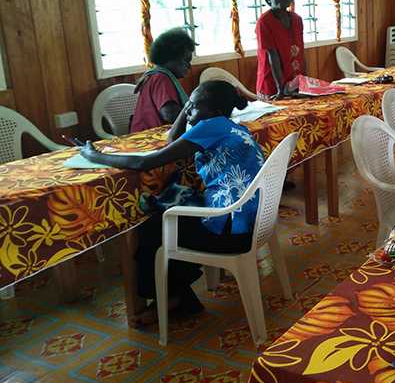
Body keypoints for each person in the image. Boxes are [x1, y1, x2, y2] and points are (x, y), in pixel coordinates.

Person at [81, 81, 265, 325]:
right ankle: (178, 298)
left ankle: (168, 300)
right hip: (250, 224)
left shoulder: (210, 127)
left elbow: (144, 163)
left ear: (210, 110)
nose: (188, 111)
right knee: (168, 221)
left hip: (230, 233)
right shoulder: (229, 126)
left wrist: (94, 155)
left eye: (193, 106)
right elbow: (172, 139)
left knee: (151, 228)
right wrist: (191, 106)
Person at [130, 27, 194, 133]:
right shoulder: (161, 79)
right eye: (186, 61)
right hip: (150, 138)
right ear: (170, 58)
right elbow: (170, 115)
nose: (189, 66)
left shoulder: (156, 75)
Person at [256, 0, 305, 98]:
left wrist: (304, 81)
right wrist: (280, 89)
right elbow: (272, 56)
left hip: (294, 83)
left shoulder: (297, 19)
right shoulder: (264, 21)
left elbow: (301, 53)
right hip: (273, 86)